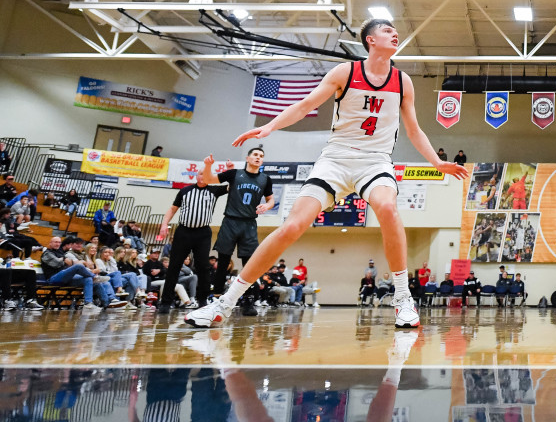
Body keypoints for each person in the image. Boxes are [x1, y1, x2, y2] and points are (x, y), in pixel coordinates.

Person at [185, 17, 470, 330]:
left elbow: (414, 130)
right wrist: (269, 126)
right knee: (292, 227)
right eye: (387, 31)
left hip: (375, 161)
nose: (395, 34)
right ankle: (224, 303)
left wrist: (436, 162)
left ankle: (403, 299)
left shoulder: (403, 81)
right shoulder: (345, 72)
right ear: (370, 40)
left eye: (395, 31)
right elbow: (305, 104)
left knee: (388, 207)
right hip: (335, 159)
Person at [155, 155, 225, 313]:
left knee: (203, 267)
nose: (202, 176)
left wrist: (227, 170)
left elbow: (231, 185)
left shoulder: (214, 190)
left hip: (203, 233)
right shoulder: (185, 191)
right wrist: (164, 224)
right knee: (174, 266)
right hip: (184, 232)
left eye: (205, 174)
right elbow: (173, 209)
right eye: (200, 173)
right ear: (196, 176)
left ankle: (202, 300)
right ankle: (166, 302)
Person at [209, 147, 275, 315]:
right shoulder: (234, 174)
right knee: (223, 262)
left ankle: (248, 301)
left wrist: (266, 206)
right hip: (230, 221)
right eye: (255, 155)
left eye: (261, 156)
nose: (258, 157)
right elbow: (210, 178)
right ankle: (216, 298)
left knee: (250, 264)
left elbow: (271, 200)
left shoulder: (265, 179)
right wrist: (208, 165)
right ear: (247, 158)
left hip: (249, 224)